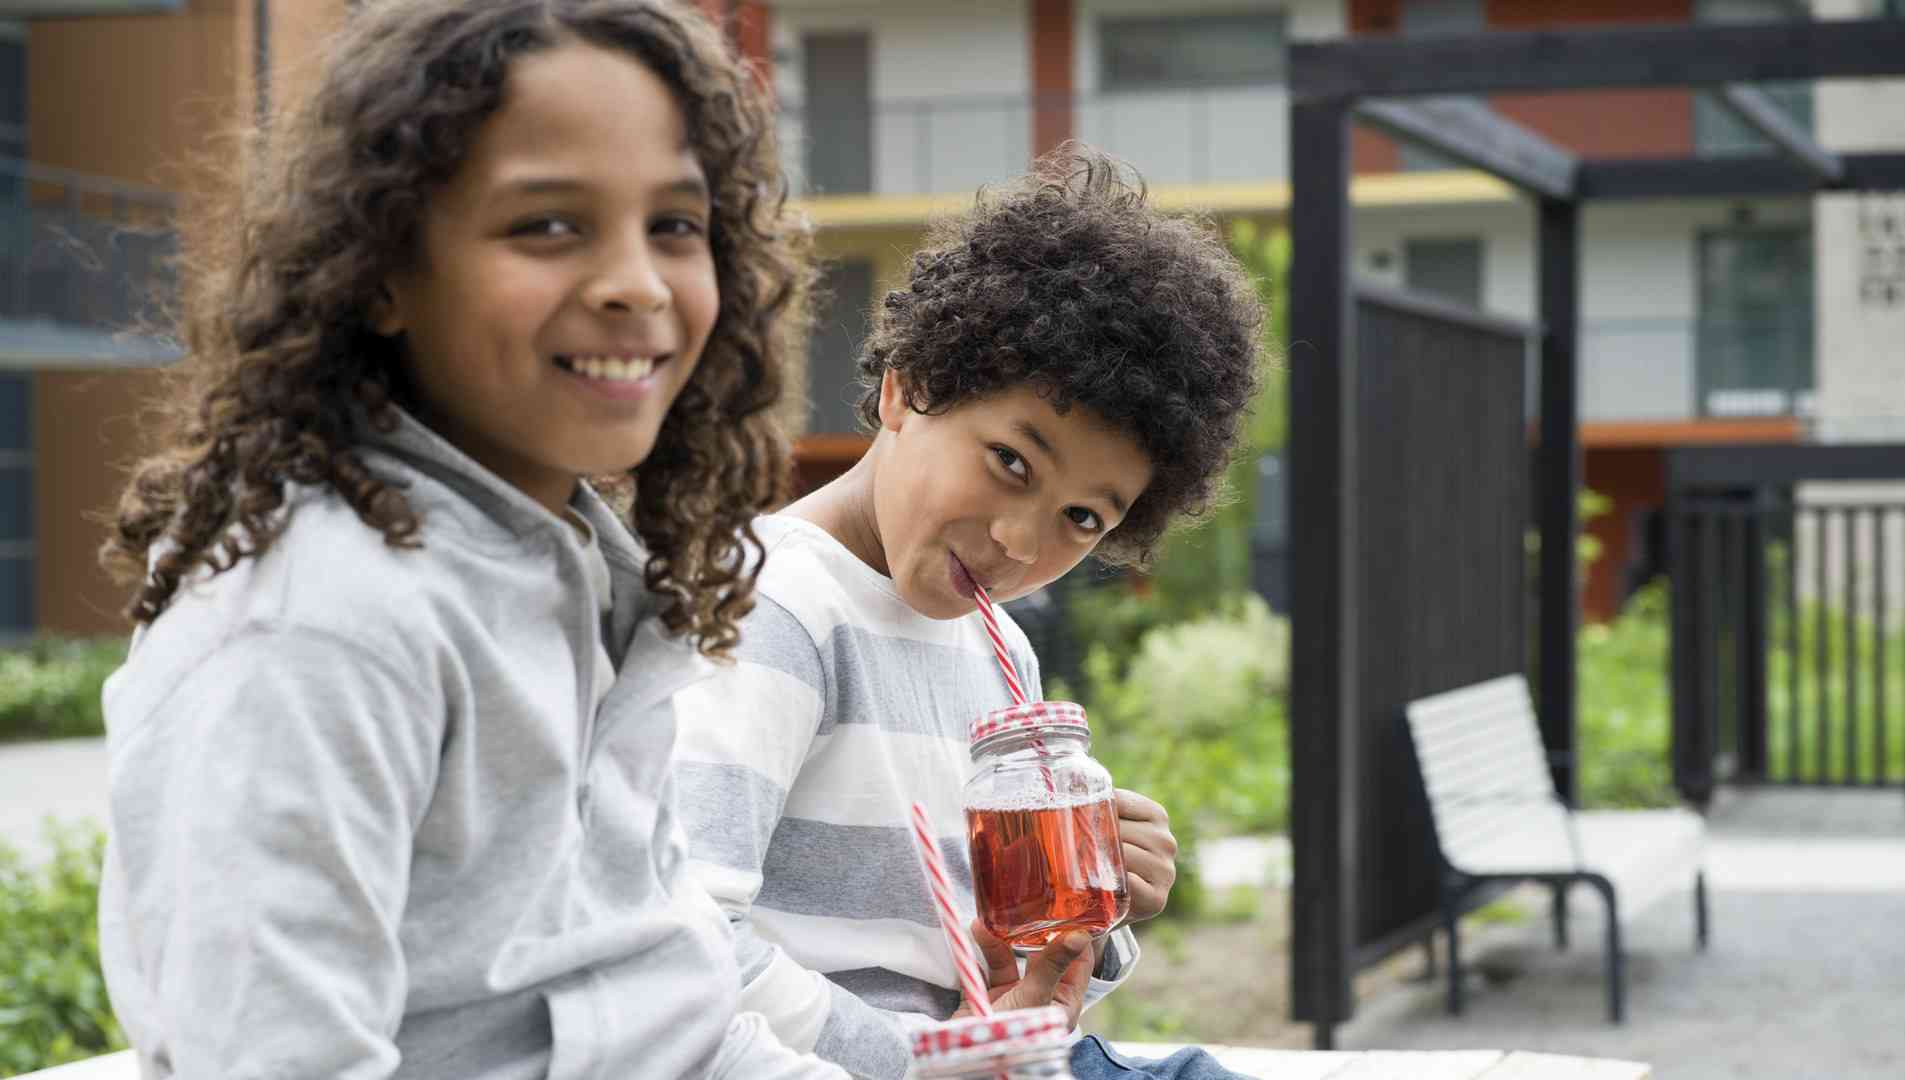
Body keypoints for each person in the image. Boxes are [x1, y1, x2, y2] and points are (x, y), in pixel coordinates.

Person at [93, 2, 845, 1076]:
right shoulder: (319, 625)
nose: (636, 281)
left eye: (674, 225)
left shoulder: (582, 573)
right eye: (548, 224)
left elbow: (670, 1011)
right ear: (383, 271)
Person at [671, 148, 1268, 1079]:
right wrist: (920, 1056)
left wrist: (1081, 920)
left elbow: (987, 982)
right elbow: (689, 940)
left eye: (1083, 517)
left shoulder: (1000, 656)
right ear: (909, 388)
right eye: (1012, 463)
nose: (1023, 543)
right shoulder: (773, 607)